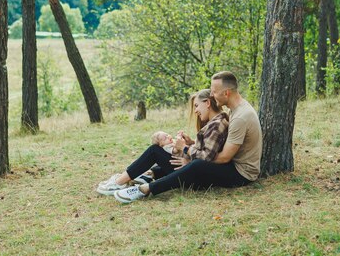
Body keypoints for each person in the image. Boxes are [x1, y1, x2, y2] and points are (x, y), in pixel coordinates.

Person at [113, 71, 262, 203]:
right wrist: (191, 147)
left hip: (240, 173)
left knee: (196, 165)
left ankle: (146, 188)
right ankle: (133, 177)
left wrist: (187, 151)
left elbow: (224, 158)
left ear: (227, 93)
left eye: (214, 92)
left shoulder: (241, 117)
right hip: (229, 166)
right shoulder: (235, 110)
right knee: (156, 151)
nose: (211, 95)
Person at [96, 89, 229, 196]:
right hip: (195, 171)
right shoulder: (216, 122)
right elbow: (210, 149)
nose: (195, 111)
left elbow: (207, 157)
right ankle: (138, 176)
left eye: (196, 106)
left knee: (154, 151)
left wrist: (184, 148)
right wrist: (191, 142)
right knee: (160, 154)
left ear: (207, 103)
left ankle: (119, 182)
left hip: (197, 177)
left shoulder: (216, 125)